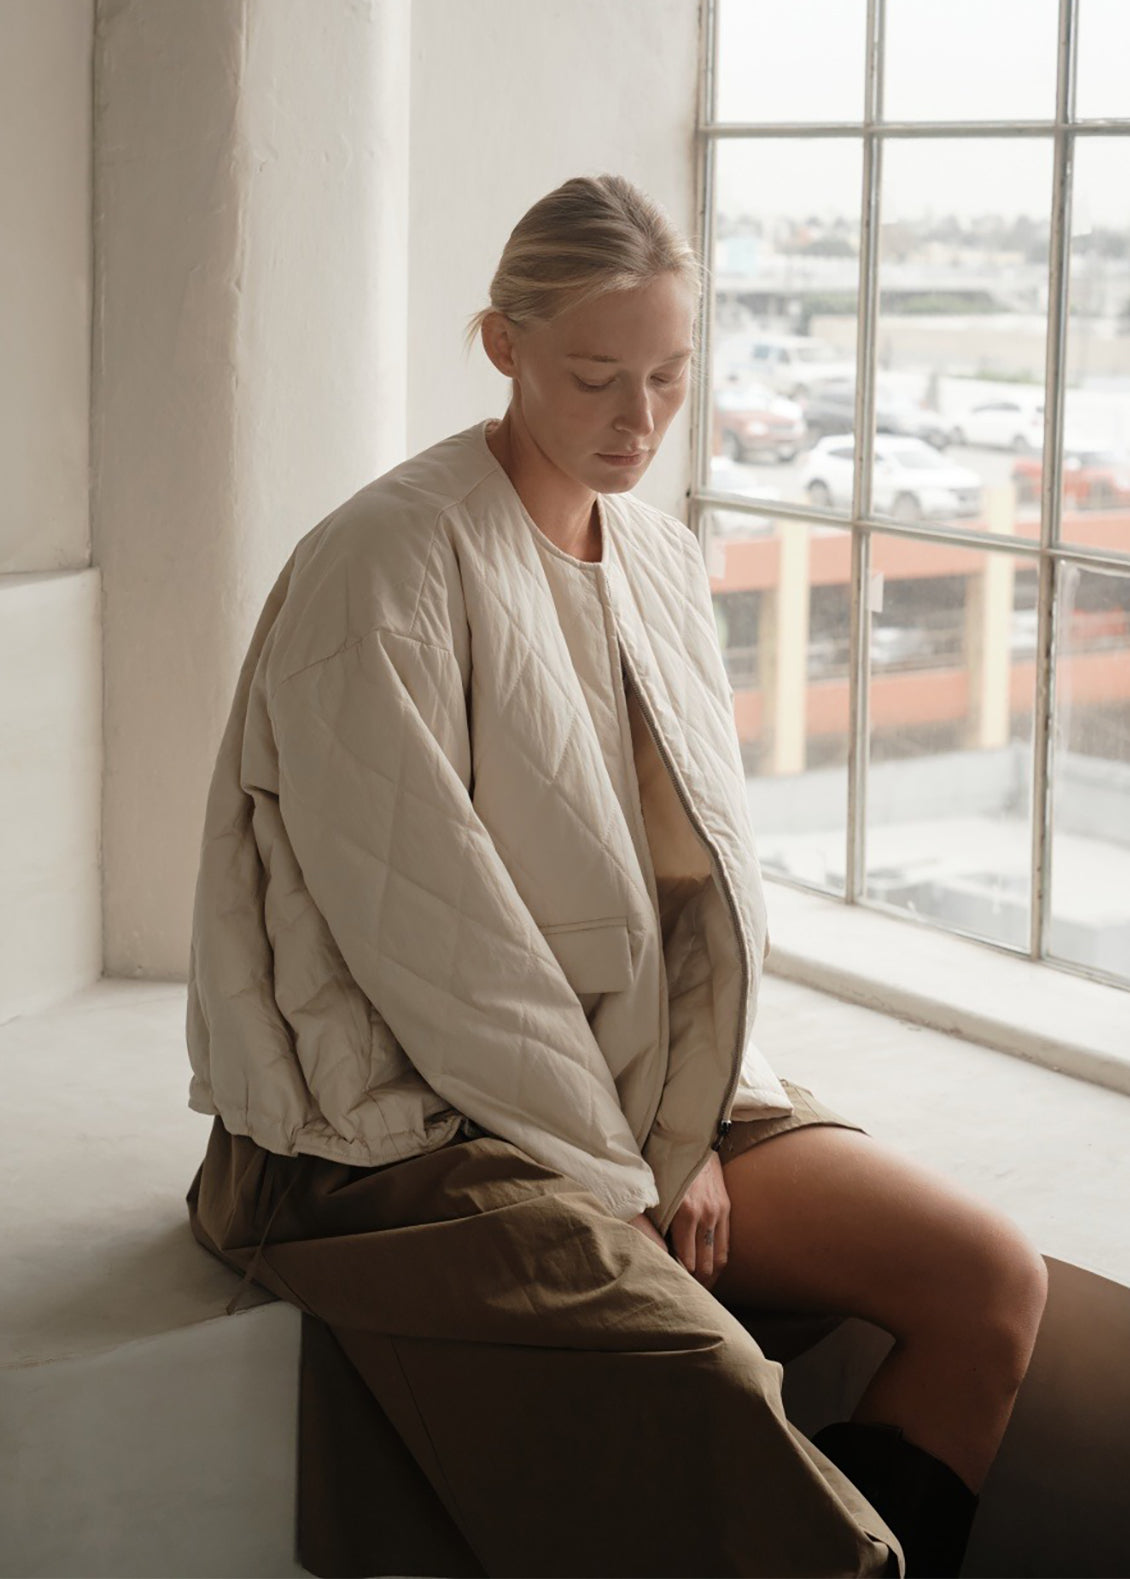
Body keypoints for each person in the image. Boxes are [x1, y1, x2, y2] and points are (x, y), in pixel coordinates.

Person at [184, 174, 1047, 1579]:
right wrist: (626, 1164)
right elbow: (440, 953)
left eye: (668, 376)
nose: (638, 422)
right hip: (387, 1129)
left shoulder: (655, 554)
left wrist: (692, 1123)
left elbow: (695, 891)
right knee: (707, 1391)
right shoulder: (381, 568)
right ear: (502, 345)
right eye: (596, 378)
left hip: (641, 1086)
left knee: (987, 1284)